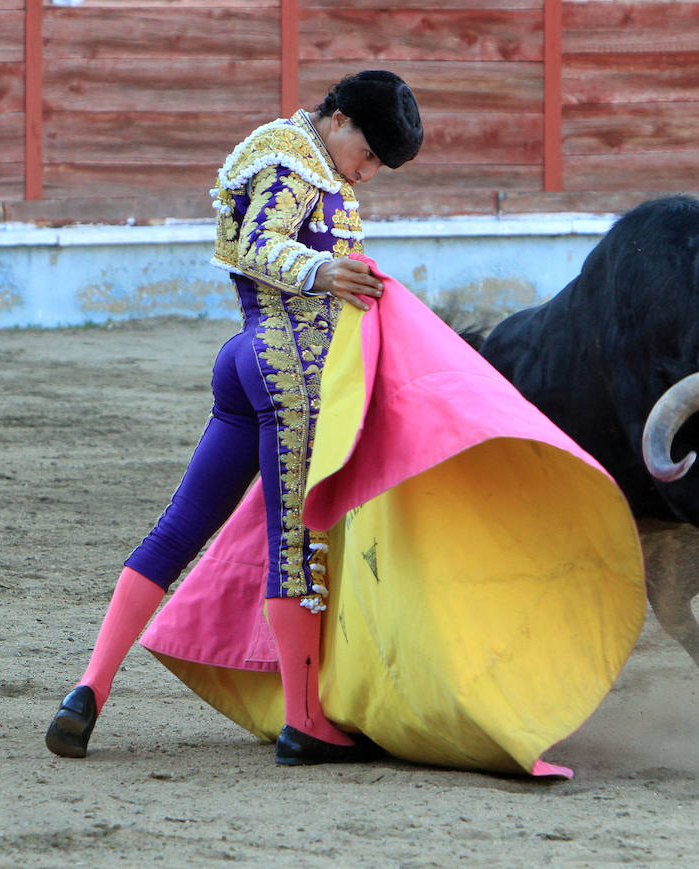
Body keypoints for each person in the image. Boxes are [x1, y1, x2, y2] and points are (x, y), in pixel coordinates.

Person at [44, 70, 423, 765]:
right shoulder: (295, 156)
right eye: (367, 153)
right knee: (294, 546)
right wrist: (321, 272)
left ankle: (87, 689)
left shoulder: (286, 150)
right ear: (337, 119)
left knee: (179, 528)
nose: (367, 173)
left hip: (244, 358)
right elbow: (256, 241)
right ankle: (305, 720)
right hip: (289, 372)